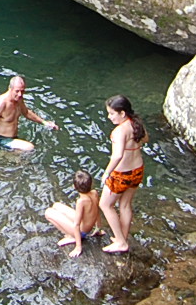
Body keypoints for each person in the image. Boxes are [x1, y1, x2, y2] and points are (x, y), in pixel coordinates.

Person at [98, 94, 147, 253]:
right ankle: (122, 238)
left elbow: (117, 155)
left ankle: (120, 242)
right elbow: (146, 139)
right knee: (125, 205)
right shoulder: (136, 124)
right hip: (137, 170)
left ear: (122, 113)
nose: (109, 117)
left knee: (105, 205)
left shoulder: (119, 132)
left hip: (121, 174)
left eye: (112, 113)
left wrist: (106, 173)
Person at [0, 75, 58, 154]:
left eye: (22, 91)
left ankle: (5, 157)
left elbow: (26, 112)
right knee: (30, 148)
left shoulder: (18, 98)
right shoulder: (2, 103)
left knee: (17, 160)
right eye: (17, 91)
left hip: (12, 138)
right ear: (10, 89)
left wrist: (44, 123)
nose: (20, 94)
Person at [44, 170, 103, 257]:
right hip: (87, 227)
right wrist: (98, 227)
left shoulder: (81, 201)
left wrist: (78, 247)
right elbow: (97, 209)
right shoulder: (94, 193)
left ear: (74, 187)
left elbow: (76, 225)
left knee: (48, 212)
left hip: (81, 232)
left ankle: (71, 236)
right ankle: (72, 234)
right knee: (56, 206)